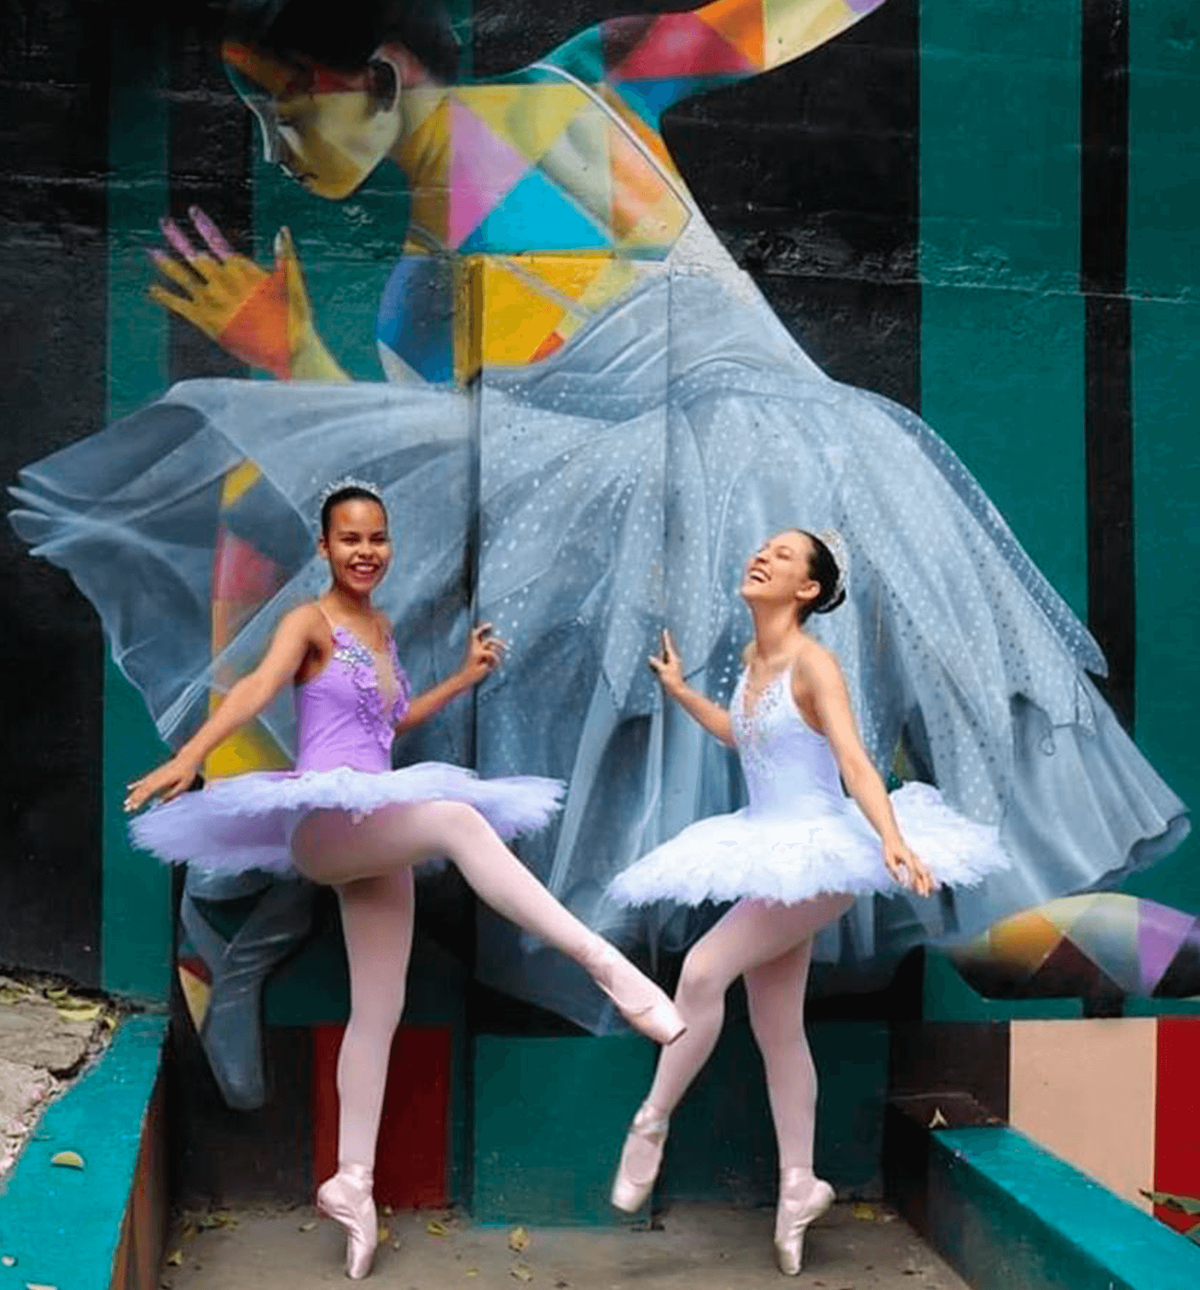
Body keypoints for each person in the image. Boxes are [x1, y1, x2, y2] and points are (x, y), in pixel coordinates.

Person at [12, 0, 1186, 1032]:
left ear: (378, 75)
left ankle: (239, 895)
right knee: (957, 895)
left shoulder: (564, 119)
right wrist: (302, 354)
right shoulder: (428, 291)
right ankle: (250, 887)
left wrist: (296, 360)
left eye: (284, 113)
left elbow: (786, 15)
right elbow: (404, 529)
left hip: (745, 498)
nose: (276, 155)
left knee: (948, 871)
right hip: (765, 506)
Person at [124, 480, 685, 1278]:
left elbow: (388, 723)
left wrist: (463, 677)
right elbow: (254, 688)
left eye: (377, 538)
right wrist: (188, 758)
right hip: (325, 825)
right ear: (324, 548)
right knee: (458, 820)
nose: (365, 551)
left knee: (378, 1010)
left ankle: (352, 1182)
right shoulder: (306, 622)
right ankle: (605, 964)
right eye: (349, 538)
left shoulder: (380, 628)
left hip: (376, 827)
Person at [607, 529, 1007, 1274]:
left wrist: (889, 835)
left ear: (810, 590)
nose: (764, 554)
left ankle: (652, 1120)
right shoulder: (755, 661)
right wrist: (685, 691)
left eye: (786, 555)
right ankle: (799, 1183)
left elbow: (853, 757)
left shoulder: (815, 662)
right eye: (764, 547)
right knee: (776, 1025)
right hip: (767, 847)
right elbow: (748, 739)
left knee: (700, 970)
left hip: (820, 855)